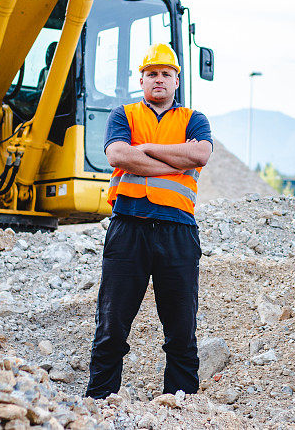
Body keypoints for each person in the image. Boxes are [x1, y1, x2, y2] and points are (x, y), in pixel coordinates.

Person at [86, 43, 212, 399]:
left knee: (181, 330)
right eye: (152, 74)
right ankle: (98, 404)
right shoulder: (123, 114)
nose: (159, 80)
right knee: (111, 326)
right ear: (141, 79)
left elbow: (201, 153)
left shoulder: (193, 119)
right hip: (129, 229)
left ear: (176, 81)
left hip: (178, 232)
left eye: (166, 74)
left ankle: (182, 406)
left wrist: (144, 151)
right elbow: (116, 154)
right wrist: (176, 162)